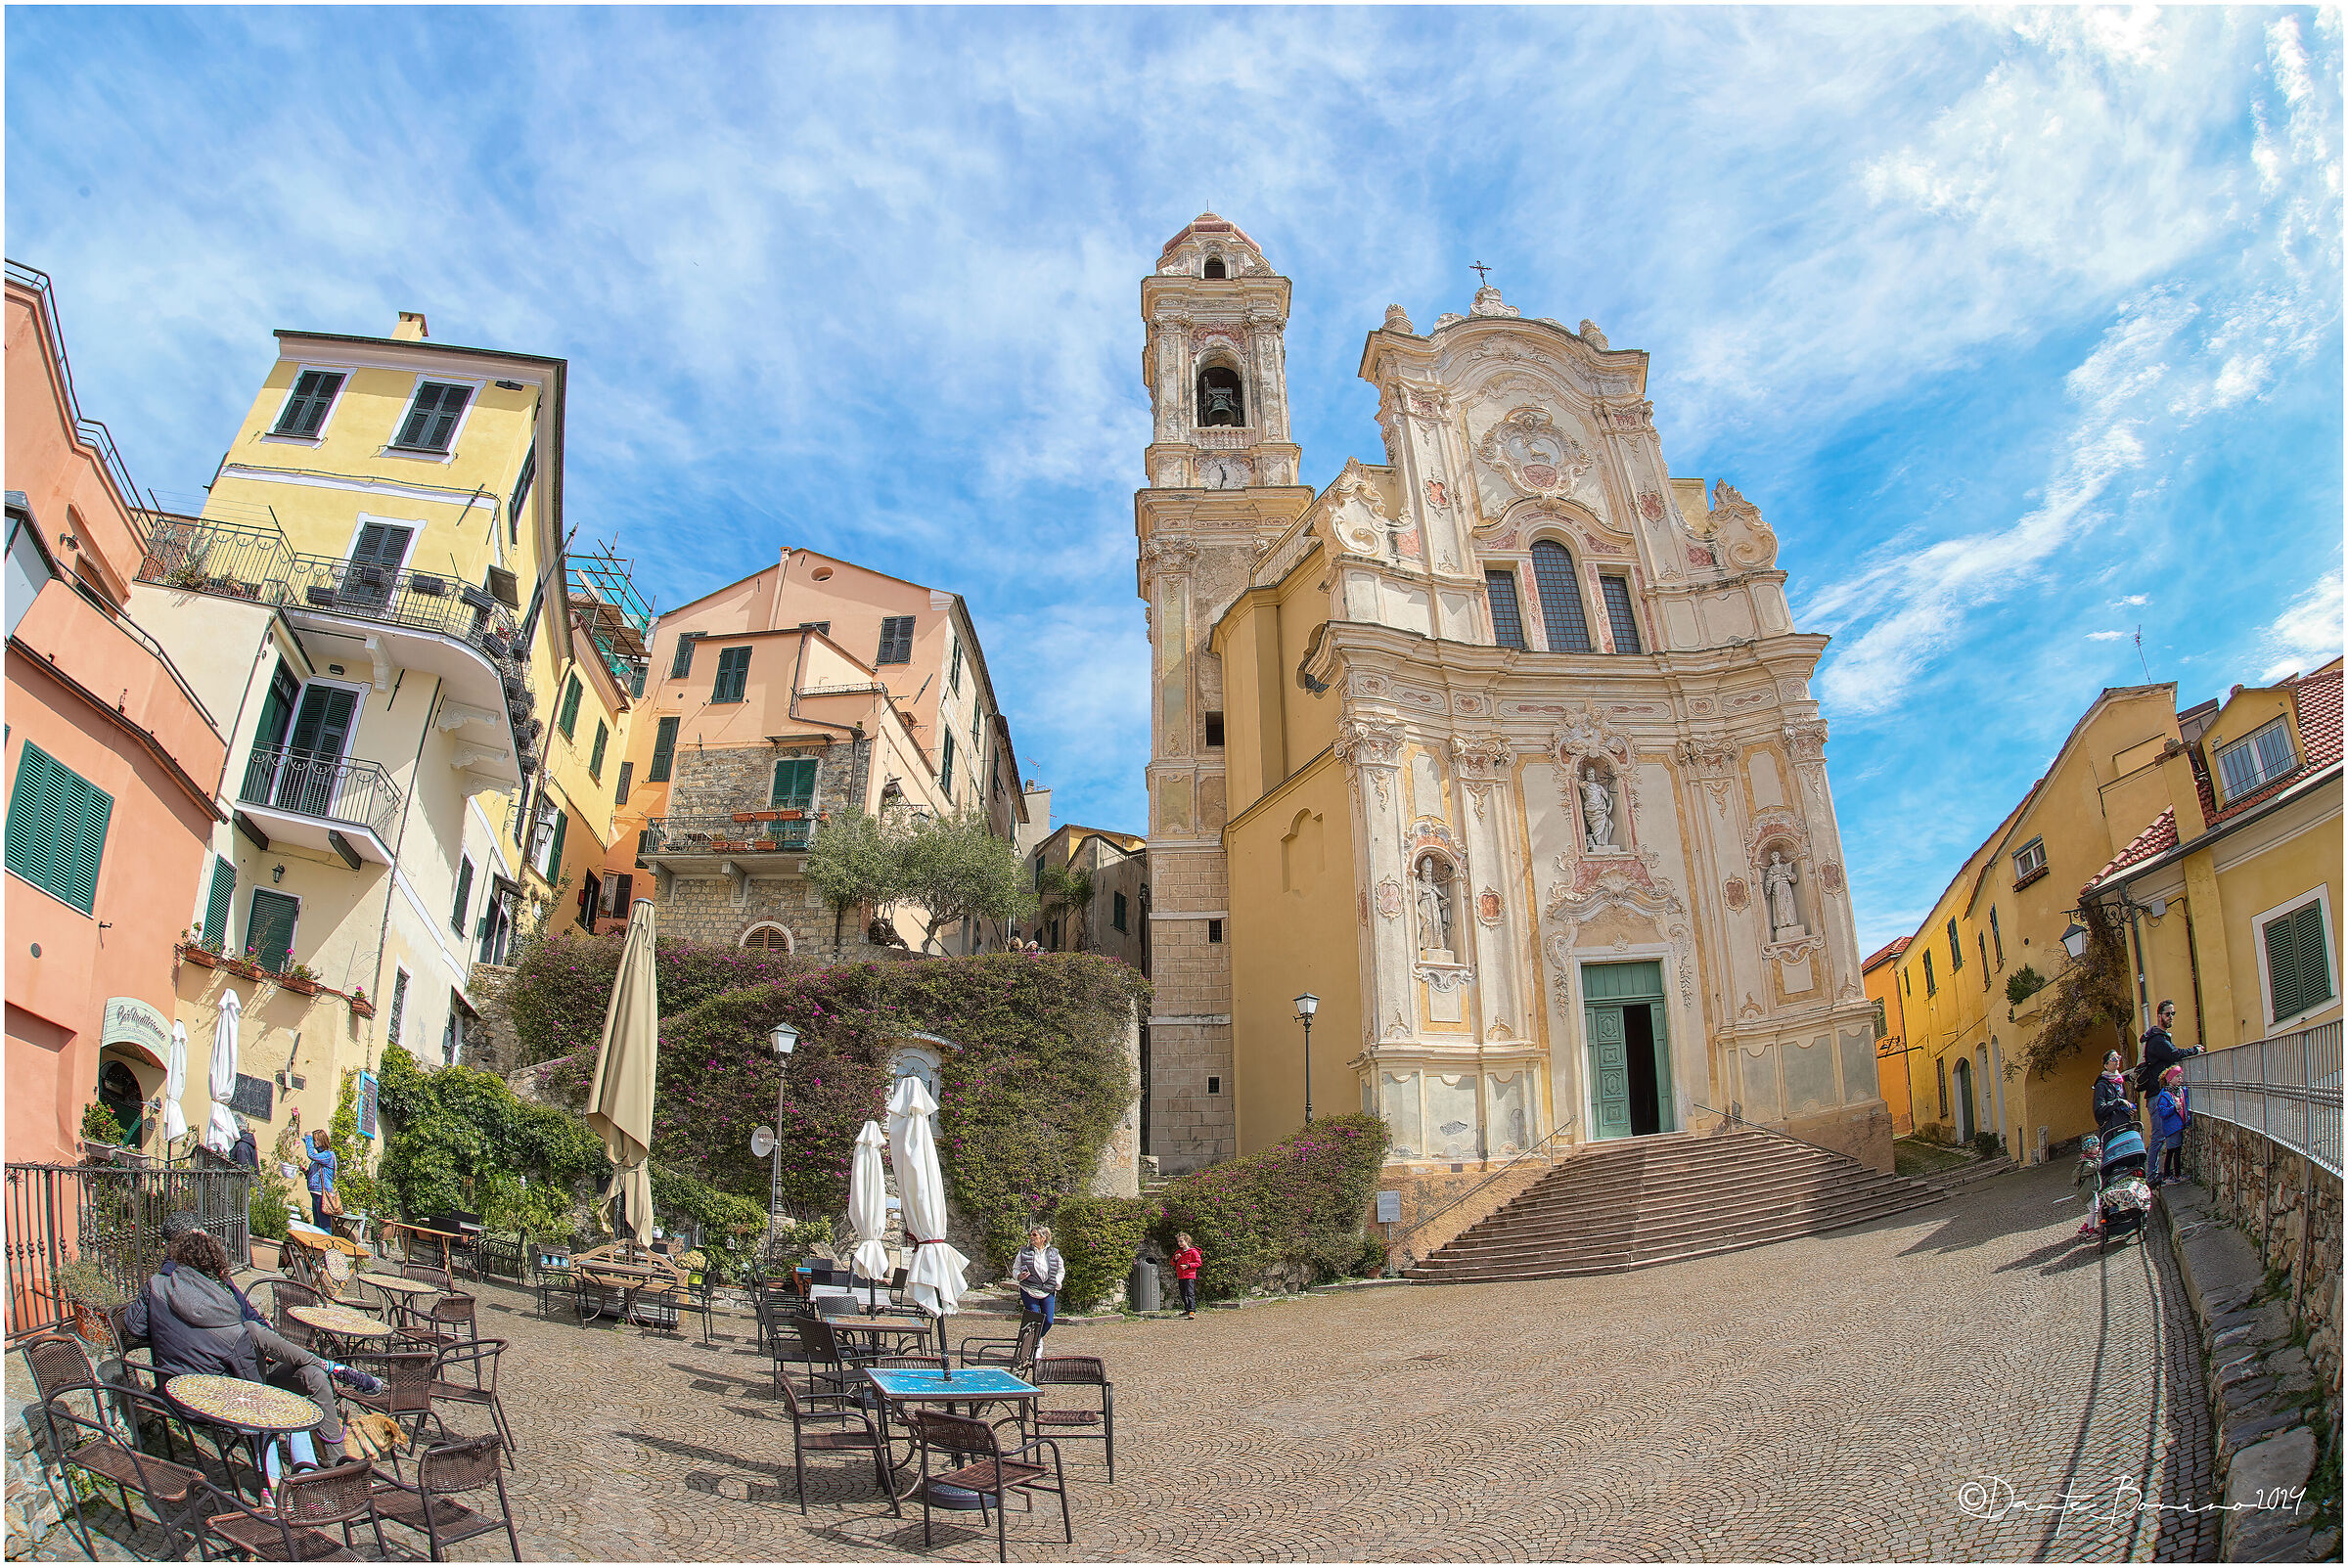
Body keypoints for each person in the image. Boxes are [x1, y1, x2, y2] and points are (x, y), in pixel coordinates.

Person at [124, 1228, 379, 1491]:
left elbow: (133, 1327)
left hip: (194, 1383)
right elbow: (251, 1378)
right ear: (215, 1262)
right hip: (221, 1393)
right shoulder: (223, 1306)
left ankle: (335, 1463)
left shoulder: (159, 1287)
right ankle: (329, 1367)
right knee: (261, 1342)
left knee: (312, 1376)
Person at [2137, 1000, 2202, 1114]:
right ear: (2159, 1016)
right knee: (2160, 1131)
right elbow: (2174, 1054)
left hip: (2159, 1092)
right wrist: (2194, 1050)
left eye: (2173, 1014)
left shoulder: (2160, 1037)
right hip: (2156, 1094)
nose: (2171, 1017)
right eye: (2168, 1014)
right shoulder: (2157, 1039)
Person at [1012, 1226, 1064, 1342]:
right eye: (1031, 1234)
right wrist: (1019, 1276)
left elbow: (1061, 1270)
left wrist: (1057, 1282)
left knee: (1049, 1321)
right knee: (1034, 1319)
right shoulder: (1023, 1252)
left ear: (1043, 1238)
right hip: (1029, 1289)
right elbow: (1015, 1269)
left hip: (1048, 1290)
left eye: (1034, 1235)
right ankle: (1033, 1346)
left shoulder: (1054, 1253)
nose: (1031, 1237)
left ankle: (1035, 1340)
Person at [2151, 1066, 2191, 1187]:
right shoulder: (2165, 1095)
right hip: (2172, 1127)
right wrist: (2174, 1108)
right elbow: (2162, 1112)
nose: (2180, 1079)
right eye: (2177, 1076)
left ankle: (2170, 1175)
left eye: (2180, 1076)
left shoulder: (2179, 1091)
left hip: (2178, 1126)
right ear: (2169, 1079)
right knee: (2174, 1151)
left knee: (2173, 1150)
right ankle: (2174, 1175)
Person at [2092, 1051, 2135, 1134]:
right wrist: (2118, 1102)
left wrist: (2127, 1109)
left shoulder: (2120, 1082)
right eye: (2114, 1059)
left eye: (2118, 1058)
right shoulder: (2101, 1085)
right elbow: (2099, 1111)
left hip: (2125, 1125)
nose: (2117, 1061)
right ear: (2106, 1065)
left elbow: (2121, 1103)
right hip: (2112, 1129)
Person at [302, 1130, 337, 1230]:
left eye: (315, 1140)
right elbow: (315, 1175)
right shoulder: (319, 1158)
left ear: (322, 1140)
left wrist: (308, 1138)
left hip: (322, 1193)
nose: (313, 1143)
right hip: (315, 1192)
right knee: (317, 1225)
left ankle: (326, 1243)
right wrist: (306, 1172)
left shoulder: (328, 1155)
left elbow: (311, 1155)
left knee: (324, 1225)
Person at [1170, 1232, 1202, 1320]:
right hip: (1180, 1276)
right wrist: (1175, 1259)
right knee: (1183, 1293)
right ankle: (1187, 1309)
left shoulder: (1193, 1252)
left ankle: (1192, 1310)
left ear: (1187, 1241)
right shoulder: (1178, 1252)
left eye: (1181, 1241)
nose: (1179, 1243)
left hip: (1189, 1275)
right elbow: (1172, 1263)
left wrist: (1188, 1266)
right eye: (1178, 1241)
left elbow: (1199, 1263)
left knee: (1190, 1293)